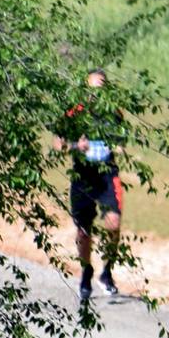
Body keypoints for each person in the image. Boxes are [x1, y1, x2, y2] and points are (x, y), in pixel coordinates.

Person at [55, 69, 127, 304]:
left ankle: (107, 272)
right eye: (92, 90)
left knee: (114, 222)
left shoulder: (114, 113)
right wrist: (77, 145)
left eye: (101, 90)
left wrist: (117, 148)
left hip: (107, 175)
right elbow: (58, 144)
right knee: (83, 232)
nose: (96, 96)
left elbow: (121, 145)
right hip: (83, 177)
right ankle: (86, 273)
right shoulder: (75, 113)